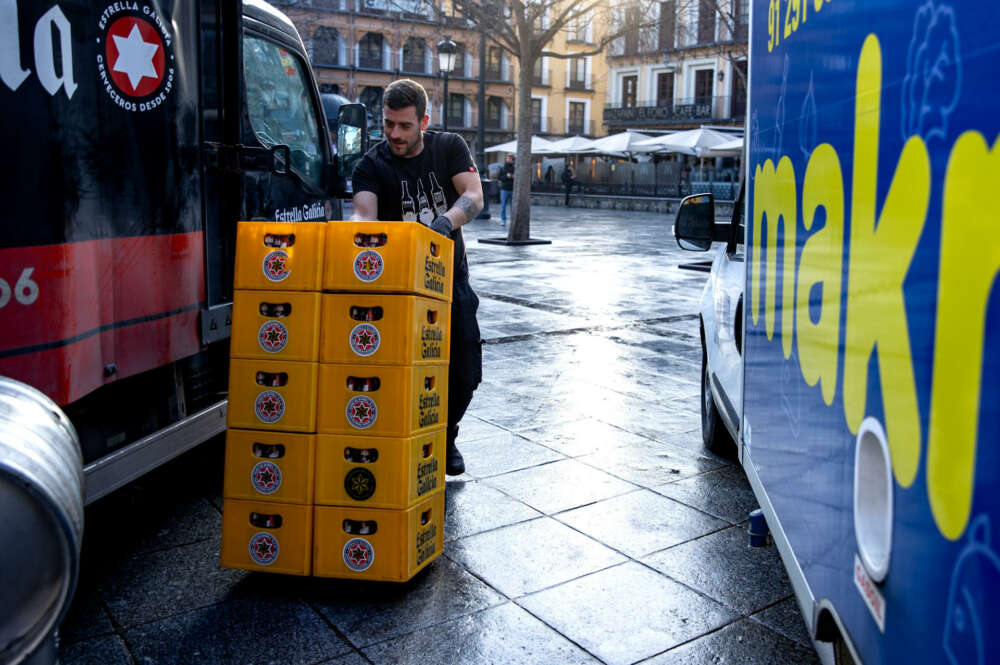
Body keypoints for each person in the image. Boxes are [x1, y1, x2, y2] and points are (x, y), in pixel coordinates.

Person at [350, 79, 483, 476]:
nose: (395, 134)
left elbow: (473, 196)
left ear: (424, 121)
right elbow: (363, 214)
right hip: (396, 288)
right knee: (396, 374)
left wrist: (445, 223)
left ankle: (447, 433)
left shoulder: (449, 147)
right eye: (389, 124)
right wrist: (359, 232)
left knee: (465, 371)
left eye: (405, 126)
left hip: (449, 280)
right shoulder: (370, 165)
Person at [499, 153, 515, 229]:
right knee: (503, 205)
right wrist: (506, 176)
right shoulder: (503, 168)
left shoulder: (514, 168)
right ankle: (503, 220)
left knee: (513, 206)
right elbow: (500, 177)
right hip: (504, 189)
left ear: (512, 160)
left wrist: (512, 176)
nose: (508, 159)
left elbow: (517, 177)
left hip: (512, 189)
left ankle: (513, 219)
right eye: (507, 158)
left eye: (510, 158)